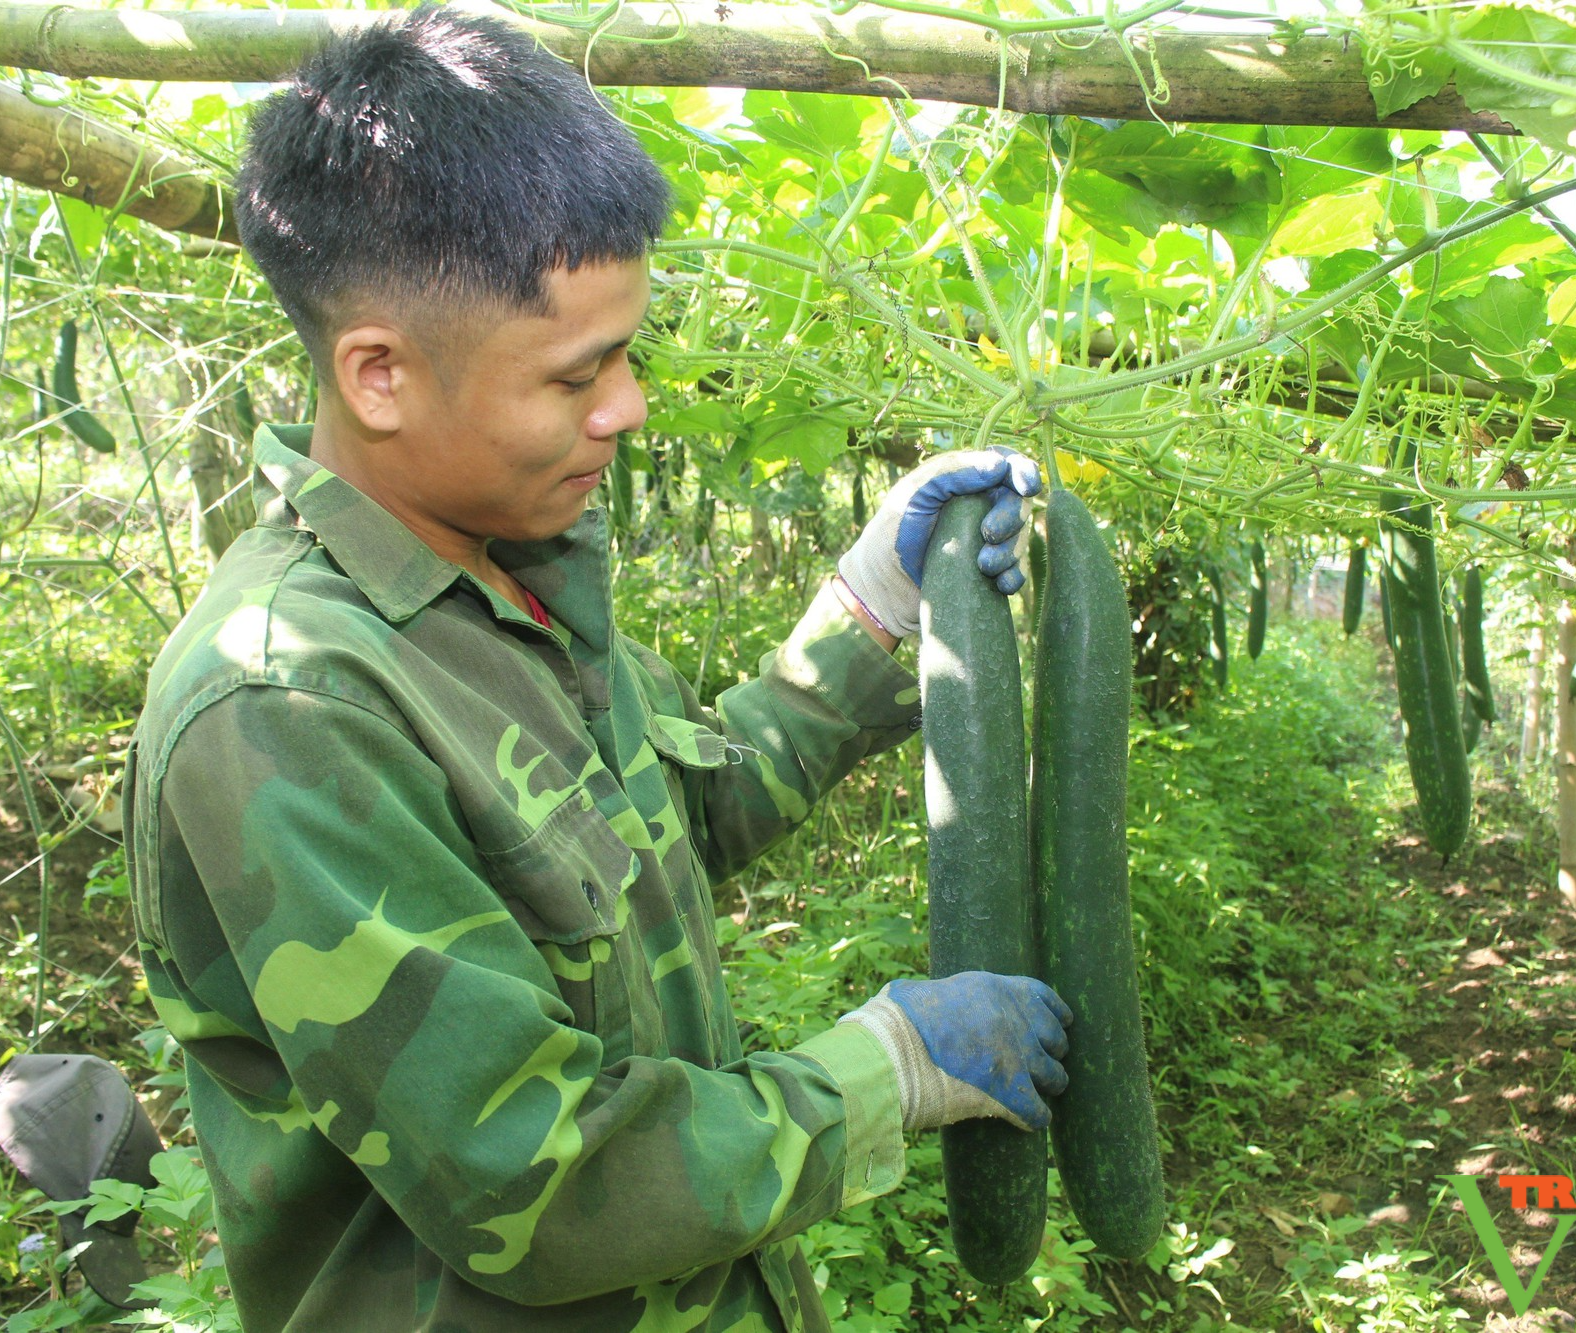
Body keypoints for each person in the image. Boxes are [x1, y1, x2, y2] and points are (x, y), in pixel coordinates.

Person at [125, 9, 1070, 1331]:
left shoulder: (509, 580)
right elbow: (534, 1178)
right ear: (381, 374)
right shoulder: (289, 705)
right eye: (579, 374)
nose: (626, 407)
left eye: (628, 352)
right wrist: (883, 1070)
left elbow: (673, 819)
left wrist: (870, 612)